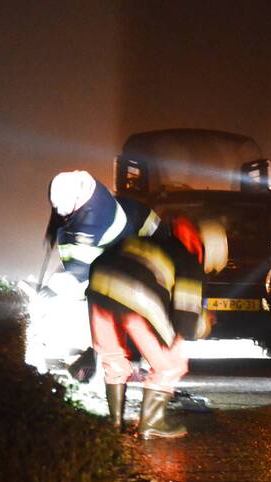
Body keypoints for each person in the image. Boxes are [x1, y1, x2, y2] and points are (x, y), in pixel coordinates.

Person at [87, 213, 218, 438]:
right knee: (171, 363)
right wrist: (200, 326)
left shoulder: (151, 242)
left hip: (98, 286)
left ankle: (115, 423)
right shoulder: (189, 261)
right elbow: (185, 320)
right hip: (136, 294)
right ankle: (152, 423)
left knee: (113, 359)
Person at [43, 170, 161, 379]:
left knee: (109, 311)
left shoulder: (94, 220)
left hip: (125, 268)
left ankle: (118, 362)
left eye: (65, 209)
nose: (61, 213)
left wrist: (52, 289)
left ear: (78, 200)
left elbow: (79, 269)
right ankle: (107, 358)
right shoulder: (82, 193)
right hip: (121, 256)